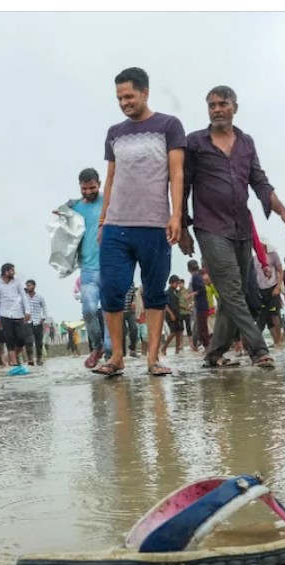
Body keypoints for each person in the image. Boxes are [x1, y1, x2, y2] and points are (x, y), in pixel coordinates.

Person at [179, 85, 285, 369]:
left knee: (239, 294)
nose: (217, 109)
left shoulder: (246, 143)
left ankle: (214, 353)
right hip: (209, 226)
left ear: (235, 107)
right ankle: (259, 350)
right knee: (232, 290)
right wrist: (182, 225)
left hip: (241, 226)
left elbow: (259, 181)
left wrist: (282, 211)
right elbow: (183, 185)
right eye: (212, 105)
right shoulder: (195, 142)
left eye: (223, 104)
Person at [95, 67, 185, 378]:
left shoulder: (169, 126)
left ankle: (153, 358)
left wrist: (176, 215)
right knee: (111, 289)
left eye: (129, 96)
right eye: (119, 98)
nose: (124, 102)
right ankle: (117, 356)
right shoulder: (114, 132)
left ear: (145, 92)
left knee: (155, 291)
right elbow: (110, 177)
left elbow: (177, 173)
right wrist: (102, 220)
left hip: (155, 224)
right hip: (117, 225)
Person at [66, 168, 111, 369]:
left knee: (111, 310)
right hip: (88, 268)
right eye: (84, 189)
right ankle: (97, 346)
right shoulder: (74, 207)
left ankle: (111, 355)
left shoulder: (109, 201)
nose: (88, 192)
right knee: (89, 309)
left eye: (92, 188)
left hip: (111, 265)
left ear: (99, 184)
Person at [0, 263, 30, 367]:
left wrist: (27, 311)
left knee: (21, 339)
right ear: (6, 272)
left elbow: (24, 297)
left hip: (18, 314)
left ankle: (13, 356)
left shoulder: (18, 283)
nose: (14, 272)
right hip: (4, 315)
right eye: (12, 270)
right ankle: (13, 362)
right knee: (9, 339)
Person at [188, 260, 211, 350]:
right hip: (203, 304)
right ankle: (205, 346)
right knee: (202, 326)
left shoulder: (195, 277)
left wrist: (191, 295)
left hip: (201, 305)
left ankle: (207, 347)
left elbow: (202, 289)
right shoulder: (199, 276)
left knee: (202, 327)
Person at [24, 279, 48, 366]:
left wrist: (43, 318)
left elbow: (44, 308)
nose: (28, 287)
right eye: (27, 286)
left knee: (39, 342)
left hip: (38, 321)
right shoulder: (24, 297)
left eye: (29, 285)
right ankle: (30, 358)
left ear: (34, 286)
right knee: (28, 341)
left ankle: (39, 358)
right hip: (27, 322)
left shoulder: (40, 297)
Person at [164, 275, 184, 354]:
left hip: (177, 313)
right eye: (176, 283)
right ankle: (164, 347)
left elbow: (177, 304)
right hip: (170, 315)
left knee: (179, 331)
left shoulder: (176, 292)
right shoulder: (167, 292)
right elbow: (165, 304)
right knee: (173, 332)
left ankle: (177, 350)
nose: (177, 285)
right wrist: (171, 314)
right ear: (171, 283)